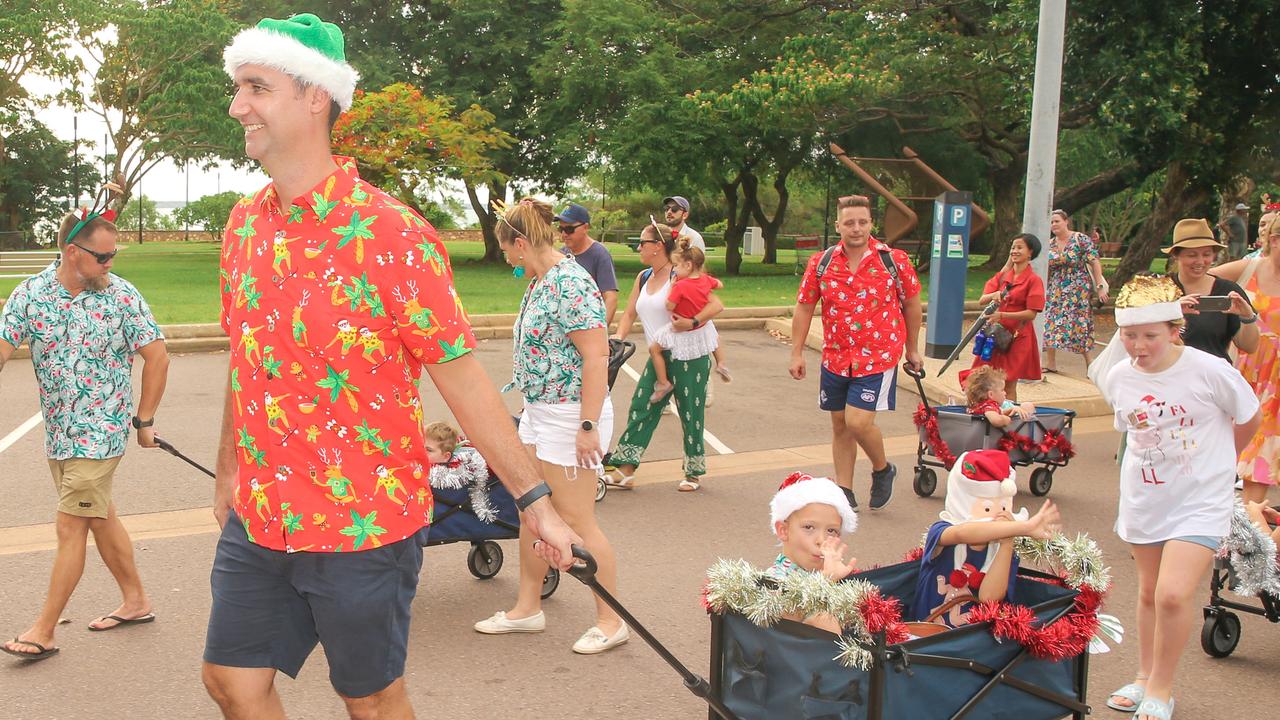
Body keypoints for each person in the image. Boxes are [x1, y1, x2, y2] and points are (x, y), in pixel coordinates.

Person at [210, 14, 579, 718]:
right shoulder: (243, 225)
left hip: (363, 525)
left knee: (372, 701)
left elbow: (463, 378)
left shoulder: (393, 234)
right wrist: (229, 468)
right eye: (238, 88)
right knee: (232, 681)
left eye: (255, 87)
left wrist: (535, 503)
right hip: (261, 517)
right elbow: (244, 360)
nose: (237, 106)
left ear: (315, 97)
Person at [0, 199, 169, 662]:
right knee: (99, 516)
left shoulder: (122, 296)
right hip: (60, 434)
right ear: (73, 251)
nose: (110, 262)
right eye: (103, 255)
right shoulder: (30, 295)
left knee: (71, 524)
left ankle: (44, 630)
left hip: (101, 433)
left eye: (113, 254)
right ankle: (136, 601)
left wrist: (145, 419)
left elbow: (157, 355)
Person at [473, 198, 628, 655]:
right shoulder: (540, 282)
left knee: (578, 520)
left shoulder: (571, 282)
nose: (505, 258)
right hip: (541, 409)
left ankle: (611, 619)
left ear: (521, 243)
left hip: (571, 413)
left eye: (506, 249)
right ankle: (527, 608)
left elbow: (597, 355)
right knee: (532, 509)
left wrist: (587, 424)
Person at [1102, 275, 1260, 719]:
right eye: (1130, 335)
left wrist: (1223, 460)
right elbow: (1132, 434)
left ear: (1175, 330)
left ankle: (1162, 688)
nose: (1139, 346)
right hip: (1146, 497)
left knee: (1174, 594)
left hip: (1201, 499)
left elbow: (1249, 417)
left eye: (1150, 335)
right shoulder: (1119, 378)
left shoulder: (1210, 370)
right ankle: (1142, 676)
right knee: (1150, 592)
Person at [790, 194, 923, 510]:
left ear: (871, 223)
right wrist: (796, 352)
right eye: (849, 222)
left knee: (858, 422)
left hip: (878, 355)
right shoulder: (821, 263)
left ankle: (882, 468)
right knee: (840, 424)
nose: (856, 228)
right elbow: (805, 306)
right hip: (836, 355)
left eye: (862, 222)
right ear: (838, 225)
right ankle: (844, 491)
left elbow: (913, 304)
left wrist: (912, 349)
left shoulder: (893, 260)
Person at [604, 222, 724, 492]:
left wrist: (692, 322)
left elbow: (715, 305)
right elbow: (631, 312)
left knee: (690, 412)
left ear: (658, 246)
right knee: (642, 404)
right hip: (660, 354)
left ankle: (693, 472)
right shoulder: (644, 276)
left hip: (688, 354)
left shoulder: (680, 275)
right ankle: (625, 469)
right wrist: (617, 338)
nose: (638, 247)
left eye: (642, 243)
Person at [909, 450, 1058, 629]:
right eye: (987, 508)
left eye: (1003, 506)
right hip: (923, 636)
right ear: (963, 501)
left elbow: (989, 598)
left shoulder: (1002, 548)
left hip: (971, 644)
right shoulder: (942, 530)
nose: (996, 515)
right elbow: (962, 533)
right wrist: (1024, 527)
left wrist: (1007, 541)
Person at [1208, 214, 1280, 506]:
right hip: (1248, 371)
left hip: (1276, 383)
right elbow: (1201, 279)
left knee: (1261, 458)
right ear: (1274, 241)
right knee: (1231, 448)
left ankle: (1252, 534)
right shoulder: (1248, 268)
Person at [764, 471, 859, 633]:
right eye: (809, 527)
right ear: (783, 530)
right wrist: (824, 581)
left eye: (831, 531)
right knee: (823, 621)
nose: (821, 540)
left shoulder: (827, 572)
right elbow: (781, 621)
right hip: (796, 655)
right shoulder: (775, 578)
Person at [1163, 218, 1258, 361]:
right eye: (1192, 255)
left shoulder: (1228, 290)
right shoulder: (1159, 289)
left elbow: (1249, 347)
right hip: (1167, 377)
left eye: (1206, 254)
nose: (1200, 261)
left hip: (1214, 378)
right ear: (1176, 255)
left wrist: (1247, 317)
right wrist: (1171, 310)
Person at [648, 238, 731, 404]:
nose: (675, 270)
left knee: (654, 349)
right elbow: (720, 285)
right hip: (701, 326)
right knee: (714, 338)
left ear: (688, 265)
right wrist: (706, 281)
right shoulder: (705, 280)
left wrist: (672, 286)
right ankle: (721, 363)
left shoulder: (680, 286)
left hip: (681, 326)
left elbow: (669, 305)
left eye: (677, 266)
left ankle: (663, 382)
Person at [963, 233, 1044, 399]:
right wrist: (995, 294)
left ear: (1030, 252)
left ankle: (1009, 418)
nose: (1014, 251)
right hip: (994, 335)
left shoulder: (1033, 280)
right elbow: (982, 300)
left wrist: (1002, 315)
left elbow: (1031, 313)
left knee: (1008, 383)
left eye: (1019, 247)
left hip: (1017, 337)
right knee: (981, 379)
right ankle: (985, 414)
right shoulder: (1002, 277)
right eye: (1013, 247)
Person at [1043, 209, 1109, 373]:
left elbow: (1094, 262)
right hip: (1056, 288)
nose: (1054, 225)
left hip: (1077, 288)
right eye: (1051, 222)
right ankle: (1051, 363)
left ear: (1066, 221)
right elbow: (1048, 269)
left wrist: (1100, 286)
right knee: (1051, 321)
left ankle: (1090, 364)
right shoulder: (1050, 244)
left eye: (1057, 221)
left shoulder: (1080, 239)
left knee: (1079, 324)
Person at [556, 203, 619, 325]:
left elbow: (610, 298)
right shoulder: (562, 254)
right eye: (561, 229)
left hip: (589, 325)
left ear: (585, 227)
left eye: (569, 229)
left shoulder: (600, 254)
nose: (564, 234)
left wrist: (599, 333)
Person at [424, 421, 494, 522]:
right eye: (420, 447)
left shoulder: (462, 468)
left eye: (428, 450)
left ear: (446, 457)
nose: (422, 452)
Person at [964, 366, 1035, 429]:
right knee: (1028, 406)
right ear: (991, 394)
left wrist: (1009, 411)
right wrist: (1006, 420)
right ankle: (1030, 425)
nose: (1005, 393)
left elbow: (997, 413)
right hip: (993, 437)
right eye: (1002, 390)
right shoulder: (989, 405)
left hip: (977, 432)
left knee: (1026, 406)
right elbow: (996, 420)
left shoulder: (978, 405)